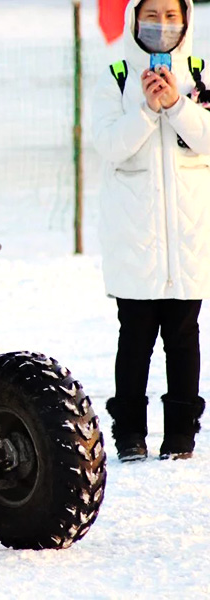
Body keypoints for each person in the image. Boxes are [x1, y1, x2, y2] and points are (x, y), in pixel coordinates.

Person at [91, 0, 210, 461]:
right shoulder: (117, 75)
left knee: (184, 336)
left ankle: (181, 436)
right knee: (134, 336)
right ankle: (130, 435)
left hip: (188, 234)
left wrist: (177, 104)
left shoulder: (199, 72)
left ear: (186, 19)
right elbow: (109, 146)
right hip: (134, 235)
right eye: (152, 15)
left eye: (171, 15)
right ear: (134, 18)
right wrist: (145, 108)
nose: (162, 26)